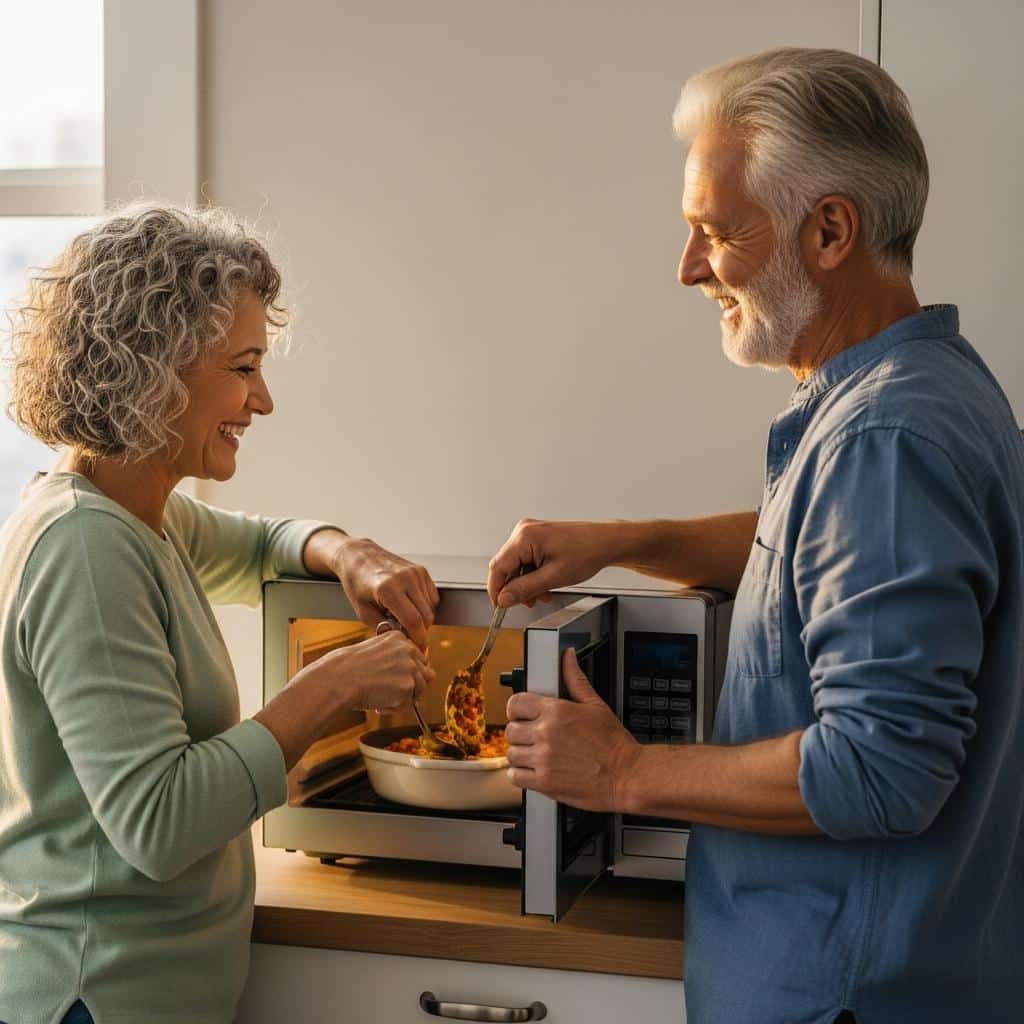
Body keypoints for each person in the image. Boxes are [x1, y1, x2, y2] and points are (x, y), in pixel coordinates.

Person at [489, 48, 1024, 1024]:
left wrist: (623, 771)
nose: (688, 266)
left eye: (714, 231)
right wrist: (623, 538)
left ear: (828, 230)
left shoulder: (884, 436)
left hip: (845, 993)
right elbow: (829, 561)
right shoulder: (918, 389)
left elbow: (883, 766)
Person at [0, 205, 440, 1024]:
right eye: (243, 368)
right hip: (92, 995)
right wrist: (336, 684)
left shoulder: (133, 511)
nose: (262, 400)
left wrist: (346, 551)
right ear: (154, 368)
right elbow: (158, 822)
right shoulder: (85, 549)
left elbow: (265, 545)